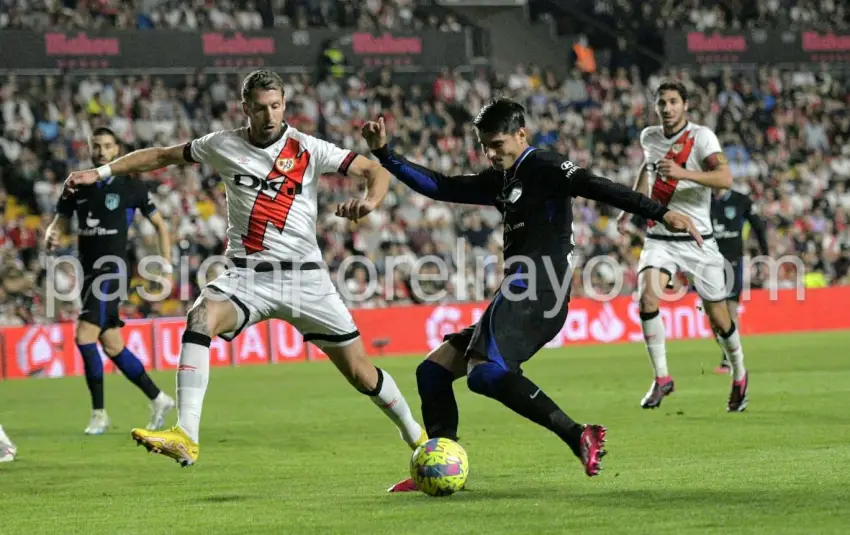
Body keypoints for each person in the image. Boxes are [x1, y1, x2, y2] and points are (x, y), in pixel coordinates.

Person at [64, 70, 427, 467]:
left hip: (305, 278)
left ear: (285, 105)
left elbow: (375, 171)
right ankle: (186, 434)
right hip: (247, 276)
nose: (269, 115)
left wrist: (370, 202)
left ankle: (417, 436)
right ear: (245, 109)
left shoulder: (309, 148)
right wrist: (99, 173)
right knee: (200, 315)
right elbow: (162, 155)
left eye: (276, 106)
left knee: (361, 373)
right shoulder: (223, 144)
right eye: (260, 108)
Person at [361, 97, 703, 492]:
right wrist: (385, 154)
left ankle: (578, 435)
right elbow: (441, 187)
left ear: (521, 134)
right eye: (484, 145)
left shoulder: (544, 166)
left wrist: (659, 212)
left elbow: (595, 185)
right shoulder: (502, 178)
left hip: (542, 288)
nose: (490, 153)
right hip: (520, 288)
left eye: (497, 143)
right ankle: (441, 464)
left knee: (485, 374)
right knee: (433, 372)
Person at [616, 81, 749, 412]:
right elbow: (648, 174)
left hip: (698, 239)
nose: (667, 108)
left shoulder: (702, 137)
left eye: (674, 101)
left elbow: (724, 178)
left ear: (685, 105)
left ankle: (739, 374)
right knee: (646, 296)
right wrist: (629, 209)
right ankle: (662, 378)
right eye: (662, 102)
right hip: (660, 237)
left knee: (719, 319)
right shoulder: (650, 137)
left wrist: (682, 172)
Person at [46, 127, 175, 435]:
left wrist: (166, 265)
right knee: (112, 343)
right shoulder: (76, 185)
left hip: (113, 270)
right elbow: (61, 219)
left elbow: (160, 225)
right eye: (96, 146)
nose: (102, 151)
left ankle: (99, 413)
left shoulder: (131, 186)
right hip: (89, 272)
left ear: (117, 149)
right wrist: (52, 231)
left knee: (84, 336)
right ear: (89, 149)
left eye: (107, 146)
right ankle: (159, 399)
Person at [710, 188, 769, 373]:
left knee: (731, 310)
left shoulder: (740, 200)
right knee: (713, 315)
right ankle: (729, 352)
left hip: (733, 262)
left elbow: (758, 225)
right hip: (709, 263)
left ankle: (730, 359)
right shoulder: (704, 199)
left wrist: (765, 254)